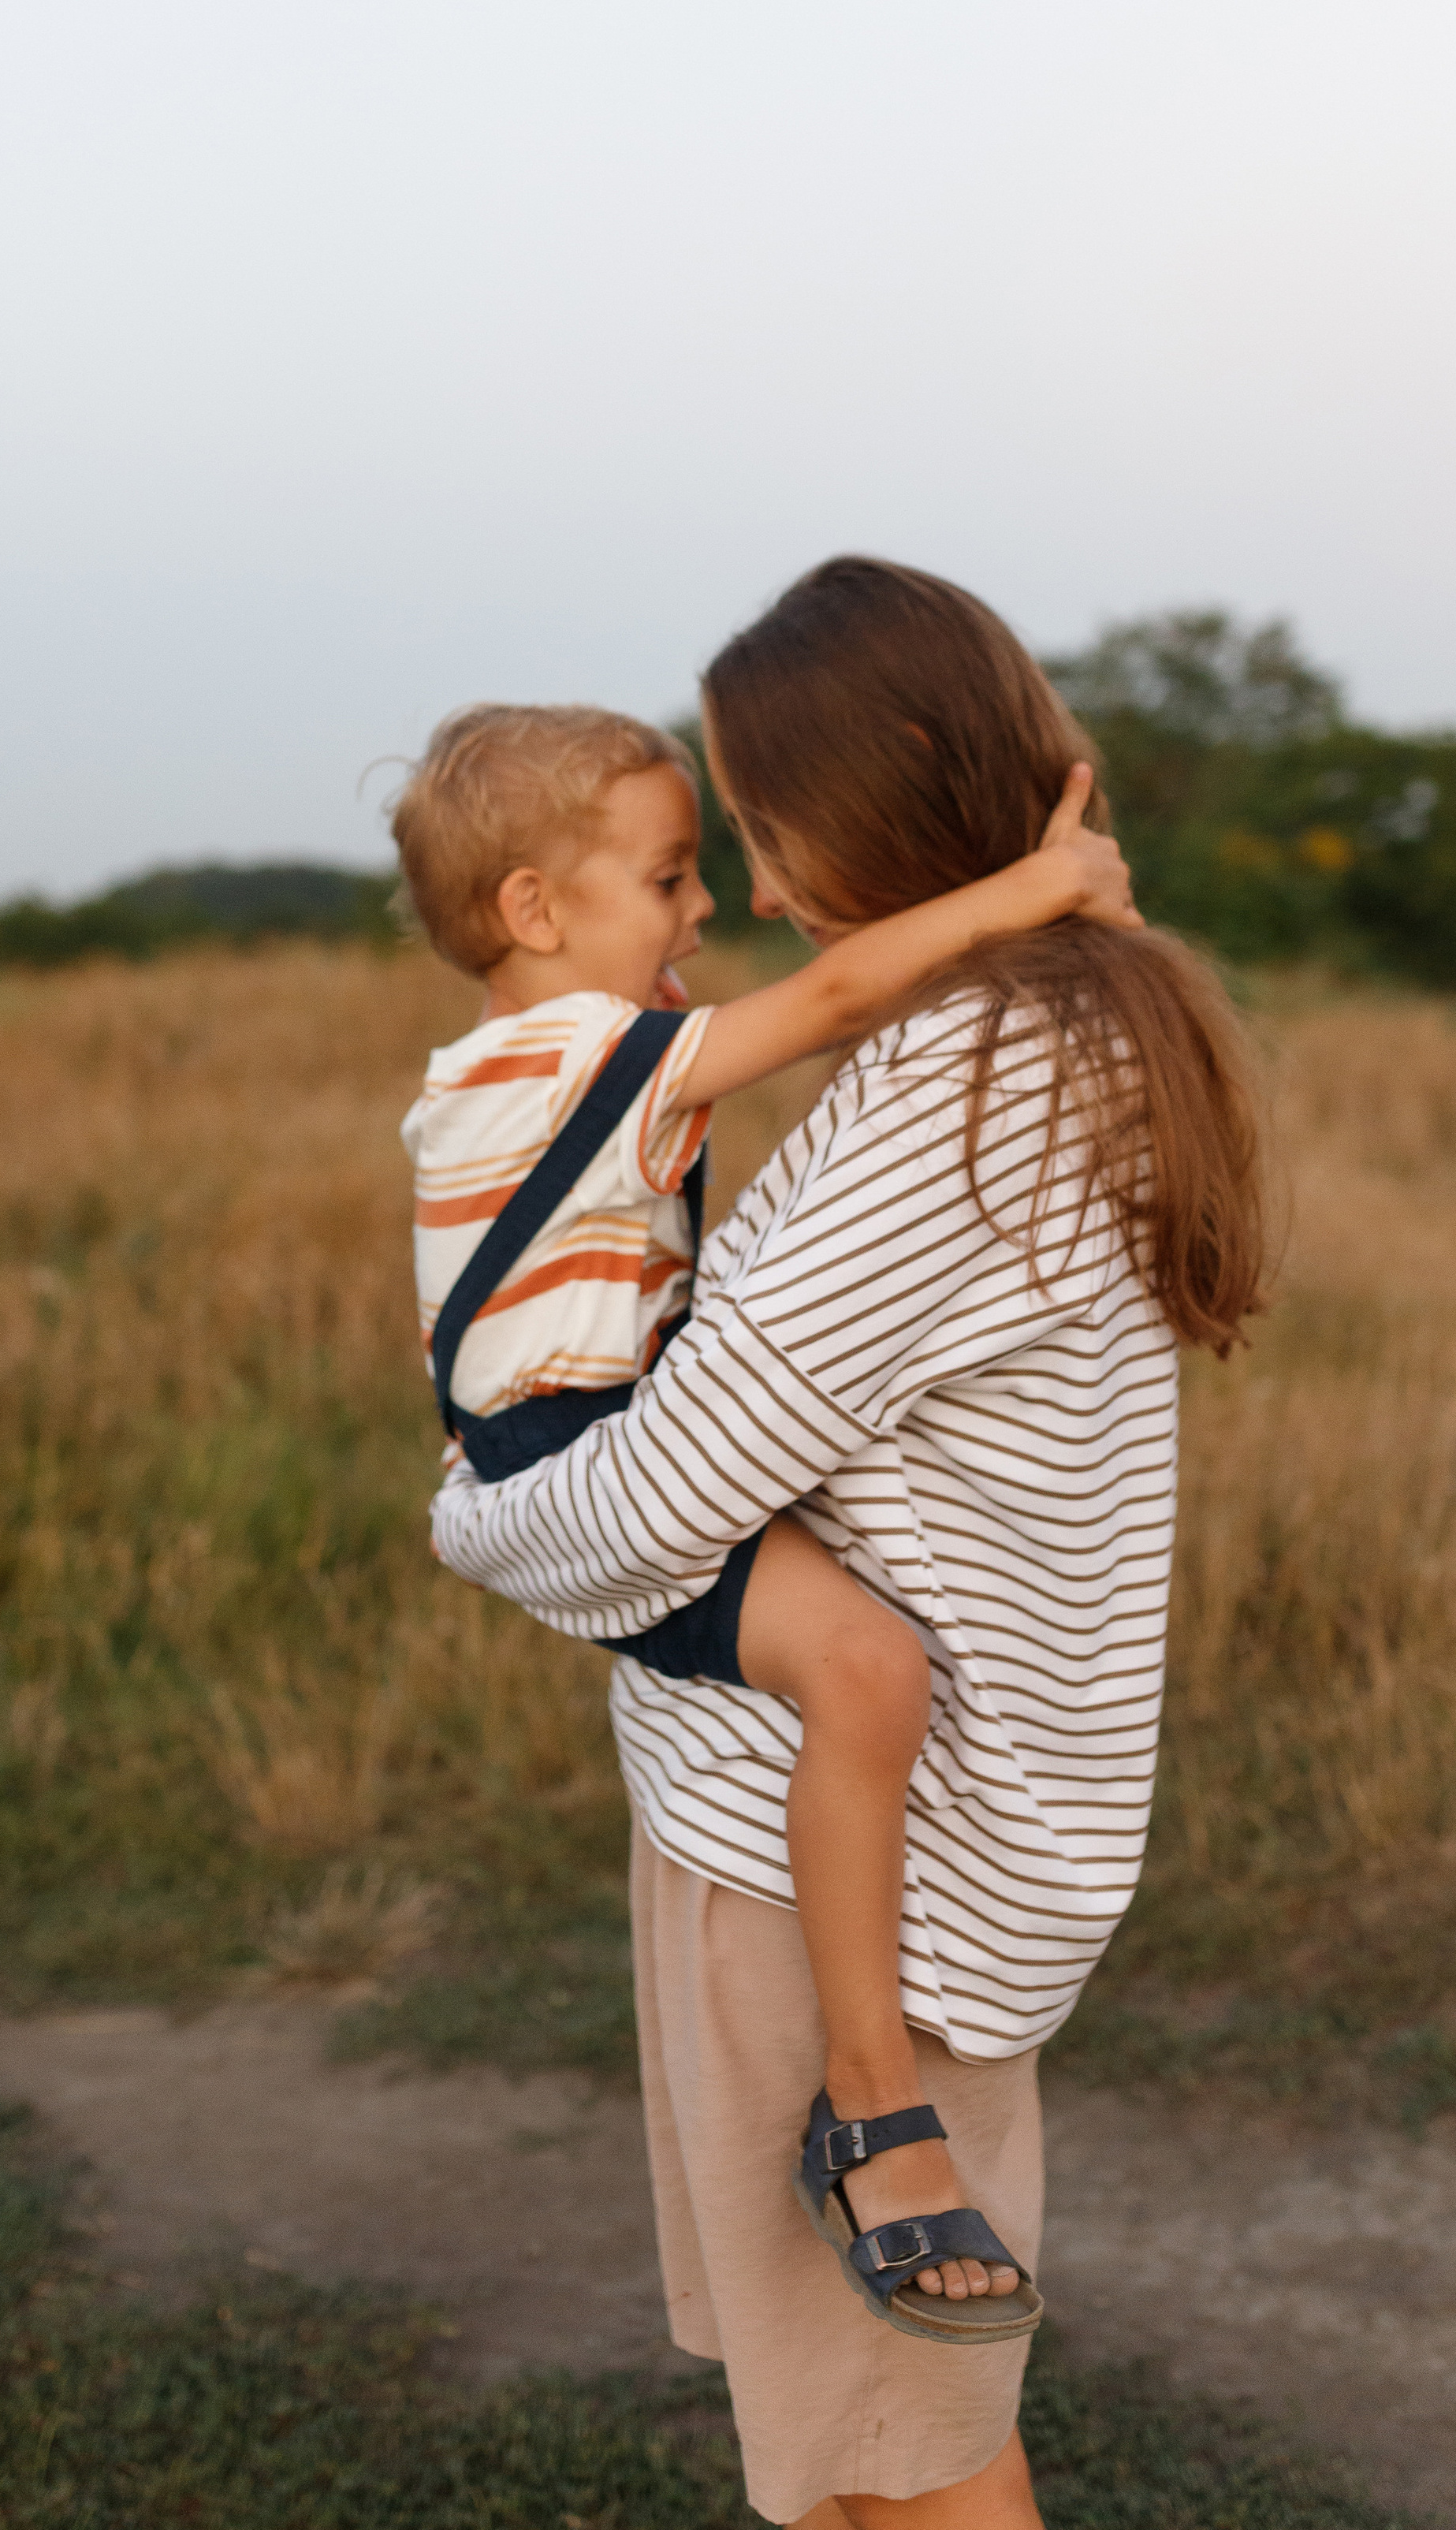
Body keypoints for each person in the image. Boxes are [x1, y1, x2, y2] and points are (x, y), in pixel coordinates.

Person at [430, 561, 1268, 2530]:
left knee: (894, 2473)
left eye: (761, 818)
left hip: (837, 1876)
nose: (763, 877)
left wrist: (469, 1511)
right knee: (894, 2439)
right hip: (904, 1834)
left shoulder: (964, 1086)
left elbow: (653, 1498)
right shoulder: (1071, 1029)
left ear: (879, 779)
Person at [393, 702, 1143, 2327]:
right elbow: (831, 993)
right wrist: (1036, 885)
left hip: (549, 1433)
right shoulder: (589, 1053)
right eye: (666, 878)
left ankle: (865, 2066)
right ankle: (870, 2094)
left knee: (858, 1668)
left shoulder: (487, 1071)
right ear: (535, 913)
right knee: (868, 1673)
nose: (701, 911)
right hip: (574, 1445)